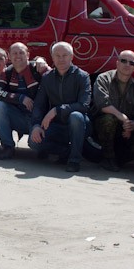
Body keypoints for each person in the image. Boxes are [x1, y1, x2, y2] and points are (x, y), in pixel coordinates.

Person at [28, 41, 92, 173]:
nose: (61, 59)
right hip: (57, 125)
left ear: (72, 56)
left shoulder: (82, 76)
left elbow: (84, 105)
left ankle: (74, 160)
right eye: (57, 55)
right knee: (33, 142)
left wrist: (57, 110)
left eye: (65, 55)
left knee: (76, 116)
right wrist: (36, 125)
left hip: (79, 124)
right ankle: (67, 151)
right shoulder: (47, 78)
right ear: (52, 57)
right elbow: (39, 104)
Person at [91, 50, 134, 172]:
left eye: (131, 63)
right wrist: (124, 118)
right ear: (117, 63)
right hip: (101, 126)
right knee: (109, 119)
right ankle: (108, 158)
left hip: (124, 130)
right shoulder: (103, 78)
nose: (127, 65)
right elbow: (102, 104)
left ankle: (120, 158)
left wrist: (132, 125)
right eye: (123, 61)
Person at [0, 43, 43, 160]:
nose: (18, 56)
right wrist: (20, 98)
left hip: (38, 118)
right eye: (14, 53)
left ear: (28, 55)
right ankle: (8, 147)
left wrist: (41, 60)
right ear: (9, 56)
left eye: (21, 52)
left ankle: (46, 147)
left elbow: (53, 81)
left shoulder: (38, 68)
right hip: (18, 117)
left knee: (35, 145)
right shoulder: (7, 72)